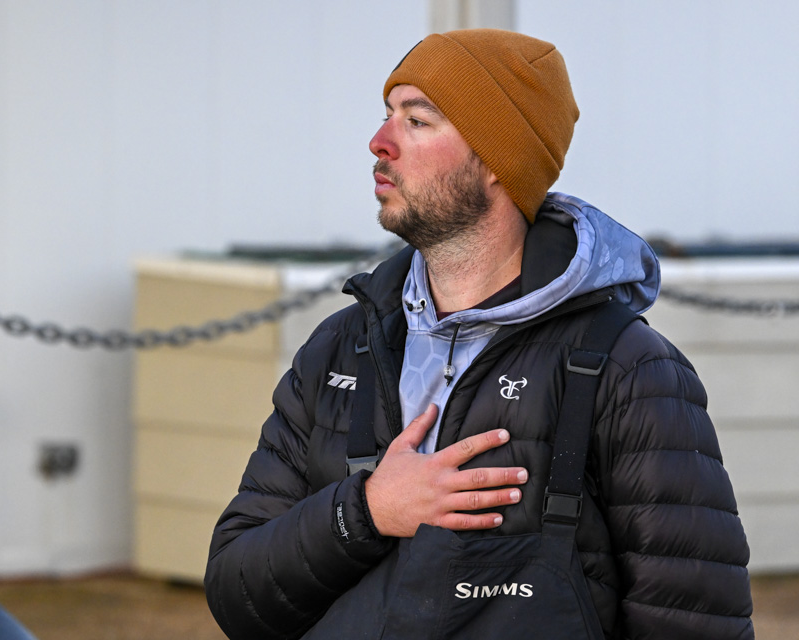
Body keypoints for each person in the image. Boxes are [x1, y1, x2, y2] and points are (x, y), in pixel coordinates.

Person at [204, 28, 753, 639]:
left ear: (496, 162)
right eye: (388, 114)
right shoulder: (341, 348)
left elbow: (694, 621)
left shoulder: (626, 369)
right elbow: (237, 594)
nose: (379, 142)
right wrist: (365, 511)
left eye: (417, 121)